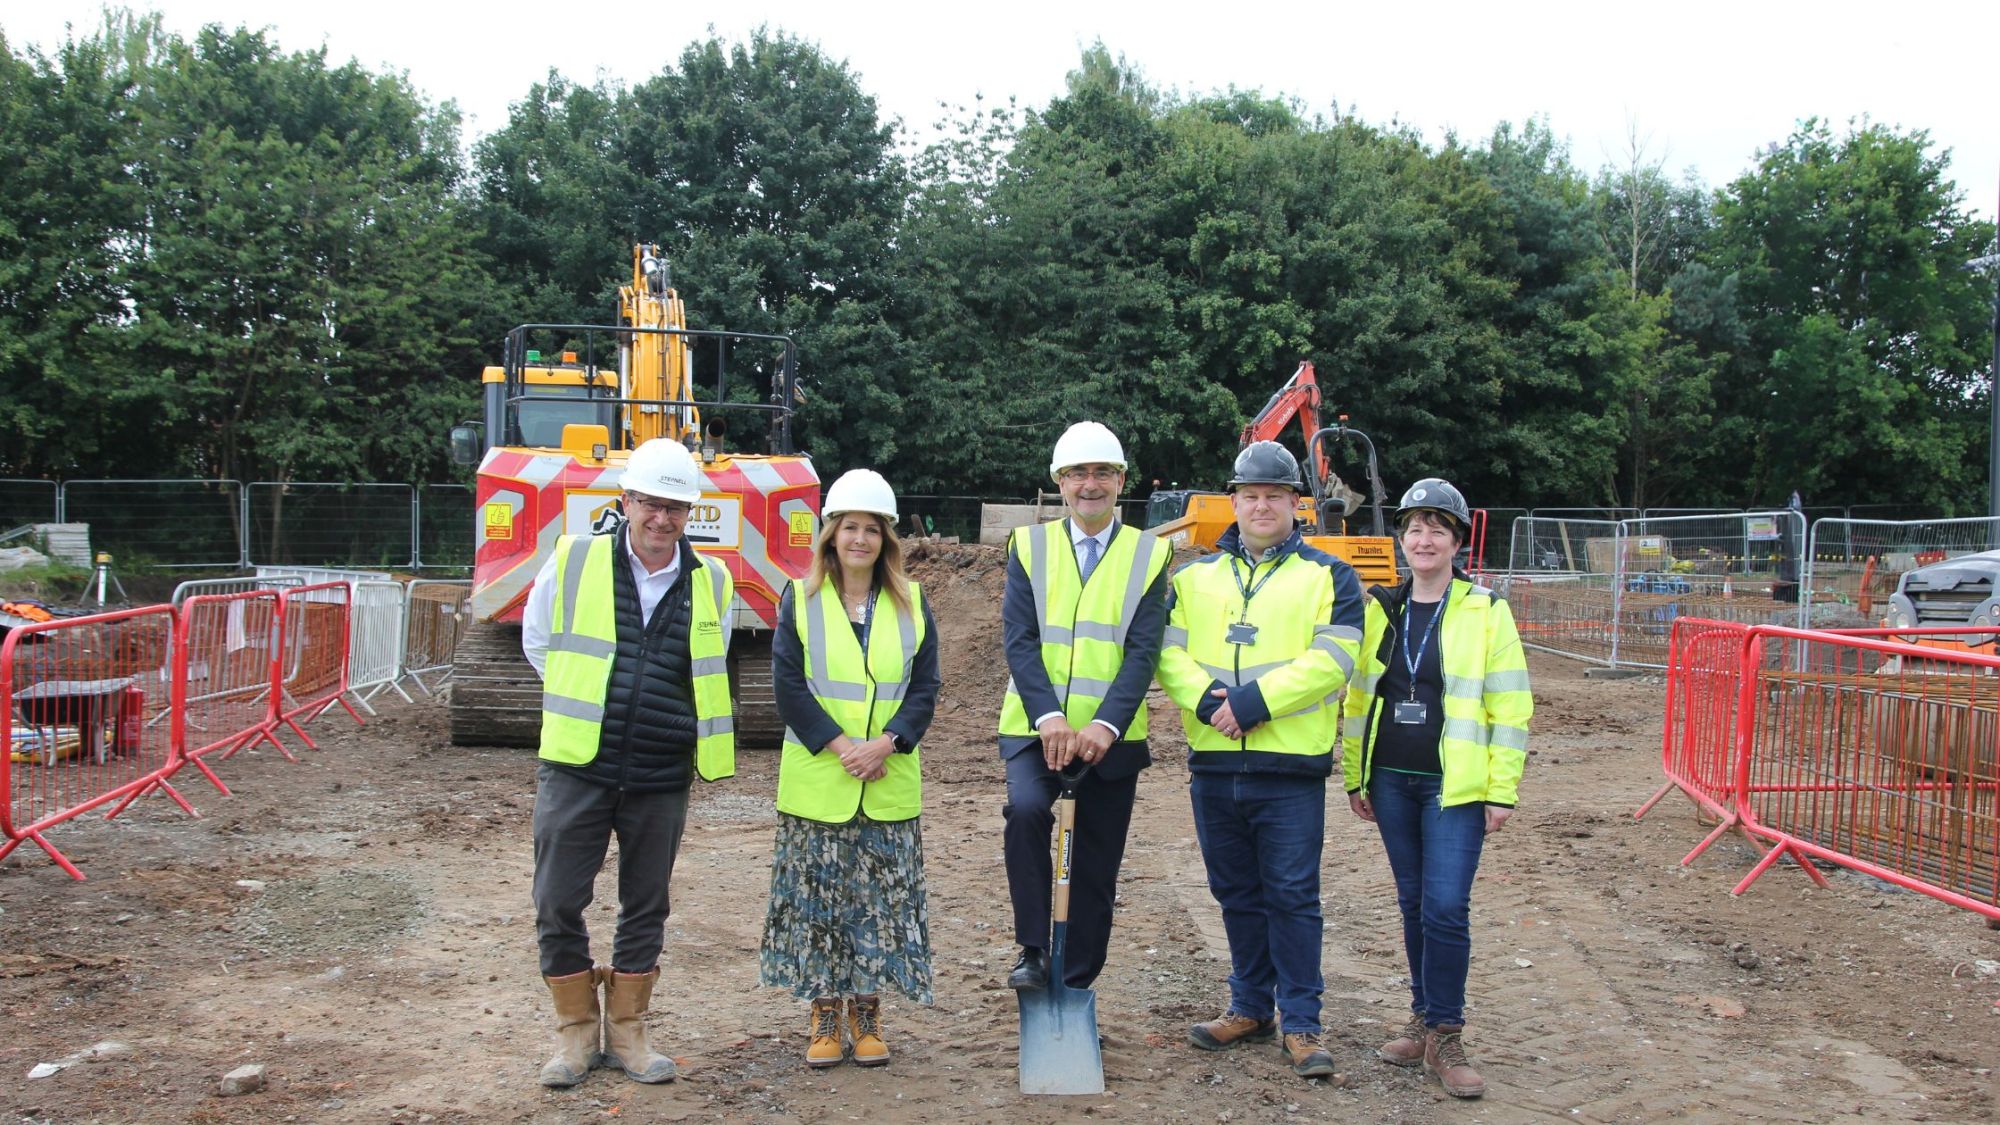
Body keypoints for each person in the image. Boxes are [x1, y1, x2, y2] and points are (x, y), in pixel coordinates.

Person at [520, 436, 736, 1089]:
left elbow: (708, 666)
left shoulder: (713, 580)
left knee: (646, 905)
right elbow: (540, 641)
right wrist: (588, 704)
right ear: (627, 501)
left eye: (674, 507)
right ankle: (576, 1035)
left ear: (688, 511)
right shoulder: (575, 560)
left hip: (660, 770)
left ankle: (631, 1032)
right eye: (650, 503)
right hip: (578, 763)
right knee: (557, 900)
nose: (661, 518)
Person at [1157, 440, 1364, 1080]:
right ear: (1235, 502)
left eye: (1275, 495)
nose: (1262, 505)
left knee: (1294, 896)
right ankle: (1250, 1005)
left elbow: (1335, 659)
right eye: (1250, 495)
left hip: (1289, 771)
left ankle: (1301, 1021)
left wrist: (1255, 704)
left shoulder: (1330, 577)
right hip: (1215, 767)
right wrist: (1206, 697)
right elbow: (1165, 653)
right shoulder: (1192, 580)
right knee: (1236, 893)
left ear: (1296, 504)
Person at [1342, 477, 1532, 1100]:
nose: (1424, 540)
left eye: (1437, 530)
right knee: (1413, 904)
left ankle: (1447, 1034)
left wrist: (1501, 790)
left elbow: (1511, 704)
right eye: (1414, 529)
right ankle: (1423, 1021)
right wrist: (1355, 774)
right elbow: (1359, 698)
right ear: (1402, 539)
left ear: (1457, 542)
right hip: (1392, 780)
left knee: (1446, 906)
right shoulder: (1382, 608)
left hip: (1455, 786)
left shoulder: (1485, 609)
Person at [759, 469, 942, 1069]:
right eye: (848, 527)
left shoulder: (913, 603)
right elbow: (788, 686)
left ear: (886, 539)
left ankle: (867, 1013)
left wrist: (887, 743)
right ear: (830, 535)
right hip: (821, 782)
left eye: (871, 529)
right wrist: (843, 747)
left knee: (877, 907)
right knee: (820, 906)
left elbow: (924, 687)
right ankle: (823, 1014)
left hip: (886, 782)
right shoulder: (800, 598)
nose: (859, 539)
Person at [997, 421, 1171, 996]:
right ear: (1059, 483)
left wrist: (1105, 724)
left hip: (1111, 740)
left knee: (1095, 869)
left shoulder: (1150, 553)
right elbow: (1020, 639)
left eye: (1101, 473)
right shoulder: (1030, 546)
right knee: (1025, 813)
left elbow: (1144, 650)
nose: (1089, 484)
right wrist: (1049, 718)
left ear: (1121, 481)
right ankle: (1033, 951)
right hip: (1033, 727)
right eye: (1077, 474)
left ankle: (1074, 983)